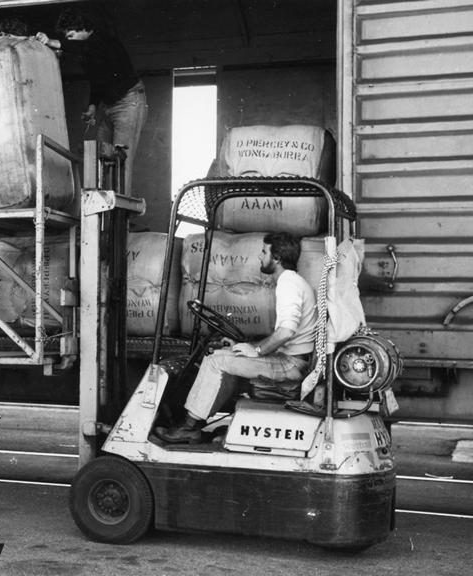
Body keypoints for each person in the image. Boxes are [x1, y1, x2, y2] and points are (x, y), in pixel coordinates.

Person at [158, 232, 318, 443]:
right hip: (290, 359)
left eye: (264, 252)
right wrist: (244, 346)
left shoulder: (288, 283)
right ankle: (200, 423)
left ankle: (189, 427)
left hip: (290, 364)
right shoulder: (294, 282)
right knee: (226, 354)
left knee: (215, 362)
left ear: (277, 258)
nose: (260, 257)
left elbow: (286, 331)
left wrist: (256, 350)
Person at [35, 8, 147, 197]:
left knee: (121, 161)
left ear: (83, 28)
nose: (69, 40)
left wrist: (54, 43)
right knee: (101, 157)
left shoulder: (103, 39)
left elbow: (87, 48)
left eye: (71, 35)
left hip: (130, 102)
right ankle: (103, 208)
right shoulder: (89, 51)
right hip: (111, 107)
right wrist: (93, 106)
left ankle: (121, 214)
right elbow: (97, 81)